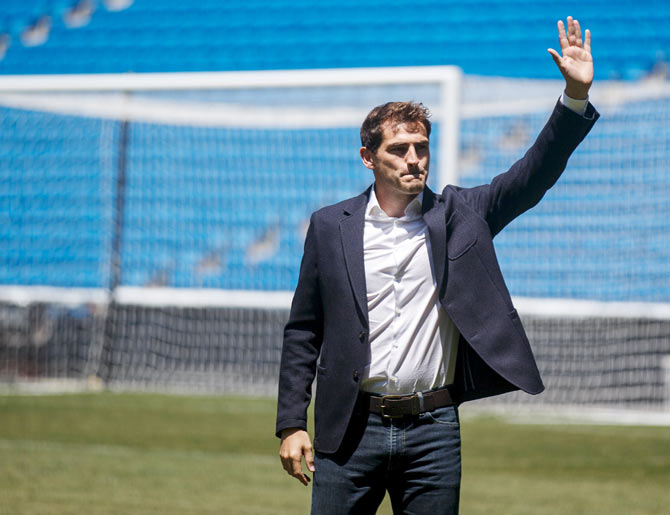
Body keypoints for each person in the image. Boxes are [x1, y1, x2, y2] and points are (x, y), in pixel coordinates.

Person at [276, 16, 599, 515]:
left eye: (421, 148)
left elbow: (531, 177)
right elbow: (303, 330)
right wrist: (292, 423)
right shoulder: (328, 226)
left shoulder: (461, 214)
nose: (413, 159)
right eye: (398, 149)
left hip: (434, 432)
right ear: (368, 157)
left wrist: (574, 98)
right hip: (350, 428)